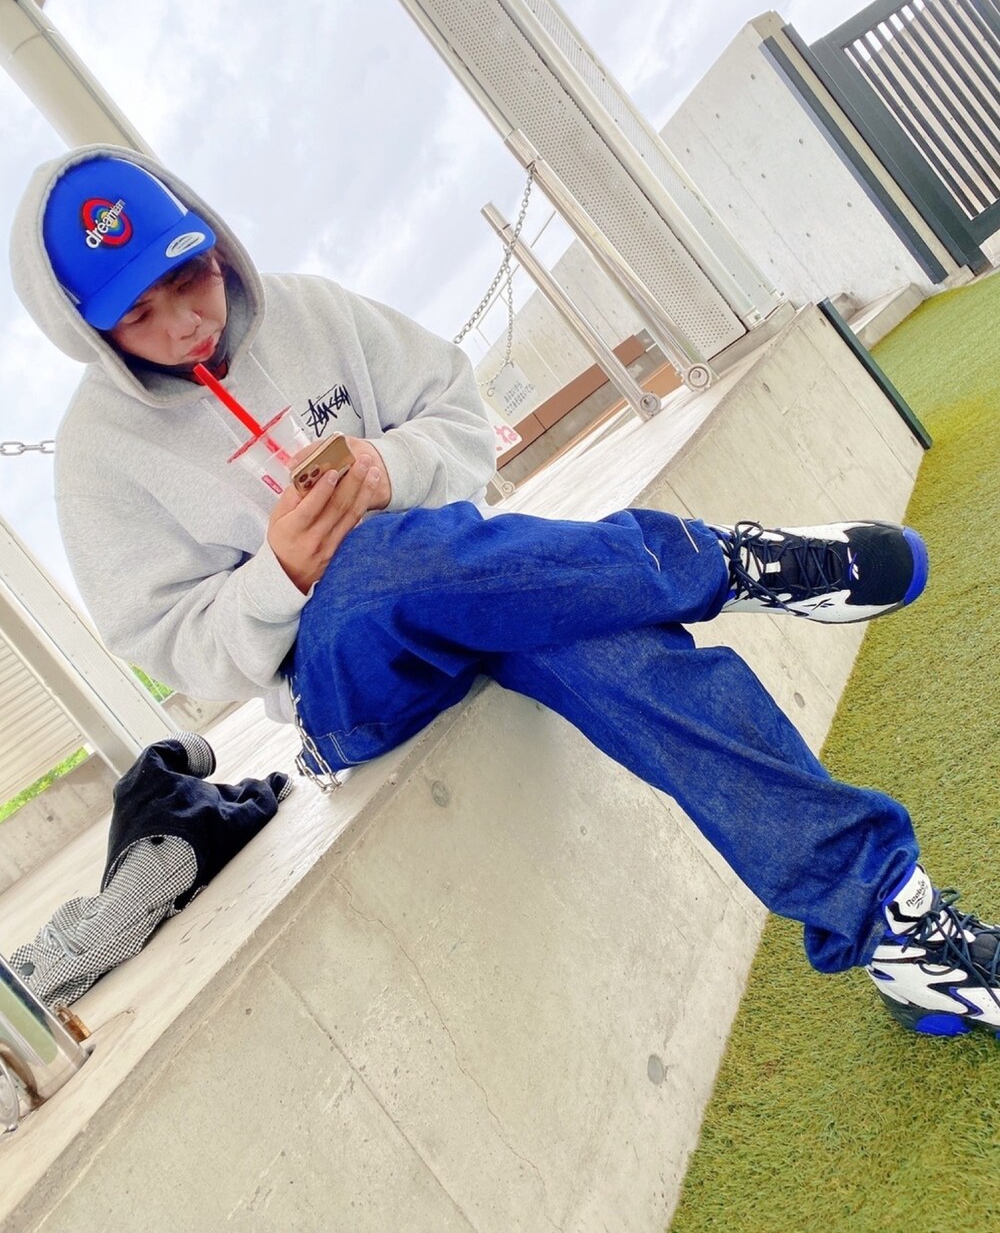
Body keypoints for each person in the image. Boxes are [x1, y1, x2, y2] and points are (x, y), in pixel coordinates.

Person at [11, 144, 999, 1041]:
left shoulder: (311, 312)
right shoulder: (102, 456)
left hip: (473, 583)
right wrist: (284, 576)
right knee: (371, 559)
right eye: (137, 314)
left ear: (213, 243)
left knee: (622, 655)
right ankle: (721, 563)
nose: (185, 322)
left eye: (189, 275)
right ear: (89, 331)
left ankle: (891, 924)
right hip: (343, 684)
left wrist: (390, 466)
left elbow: (457, 411)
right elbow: (168, 643)